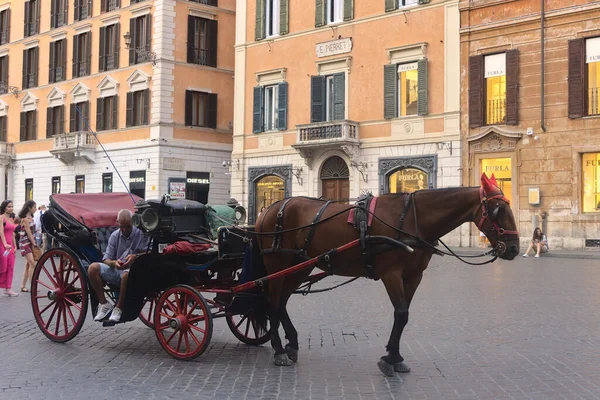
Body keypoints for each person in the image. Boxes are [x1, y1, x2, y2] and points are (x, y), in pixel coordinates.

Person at [89, 209, 149, 323]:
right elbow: (106, 259)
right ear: (118, 223)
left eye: (128, 227)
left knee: (127, 273)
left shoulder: (140, 234)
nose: (125, 230)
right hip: (117, 271)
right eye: (122, 227)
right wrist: (114, 263)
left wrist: (136, 257)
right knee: (93, 268)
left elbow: (149, 252)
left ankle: (119, 308)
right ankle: (104, 303)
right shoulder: (114, 236)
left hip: (134, 272)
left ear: (132, 223)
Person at [18, 200, 38, 292]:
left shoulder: (31, 218)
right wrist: (34, 243)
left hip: (29, 242)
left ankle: (22, 286)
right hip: (25, 242)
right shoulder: (25, 219)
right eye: (34, 207)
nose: (35, 209)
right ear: (29, 208)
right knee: (32, 264)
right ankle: (33, 285)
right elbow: (29, 233)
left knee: (28, 265)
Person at [0, 200, 18, 297]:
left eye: (12, 206)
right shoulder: (1, 218)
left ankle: (8, 288)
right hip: (2, 245)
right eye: (9, 206)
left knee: (10, 267)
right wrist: (5, 244)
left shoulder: (11, 219)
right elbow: (1, 232)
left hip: (10, 246)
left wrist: (15, 246)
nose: (11, 208)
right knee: (3, 266)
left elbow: (12, 234)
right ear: (4, 207)